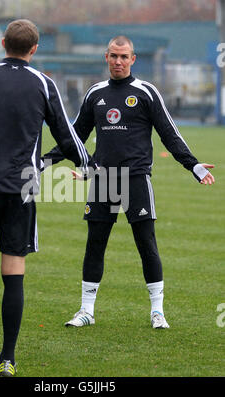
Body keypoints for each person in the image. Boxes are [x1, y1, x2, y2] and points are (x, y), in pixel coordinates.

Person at [0, 19, 94, 377]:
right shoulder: (43, 84)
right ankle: (8, 361)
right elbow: (66, 134)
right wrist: (89, 165)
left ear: (2, 43)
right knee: (13, 269)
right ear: (34, 49)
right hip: (22, 187)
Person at [42, 36, 215, 329]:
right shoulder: (95, 94)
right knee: (94, 245)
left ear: (133, 59)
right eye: (113, 56)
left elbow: (169, 133)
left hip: (136, 178)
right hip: (103, 179)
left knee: (146, 244)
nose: (118, 62)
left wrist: (193, 165)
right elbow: (74, 137)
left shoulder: (146, 92)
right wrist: (45, 161)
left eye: (124, 57)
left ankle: (157, 312)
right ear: (106, 57)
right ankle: (86, 311)